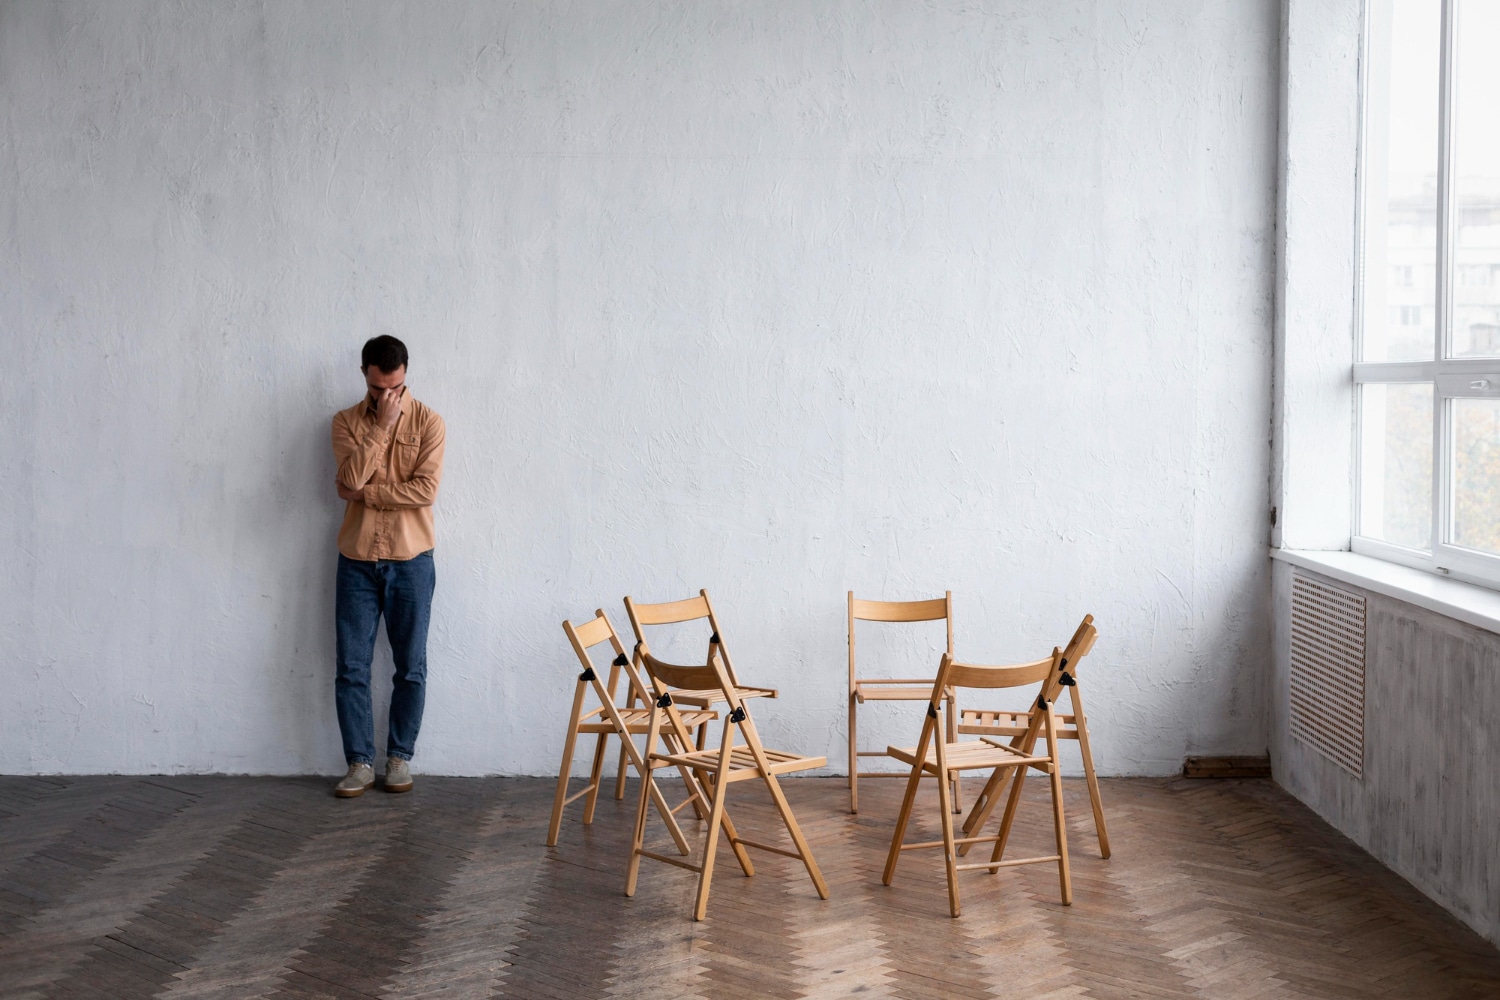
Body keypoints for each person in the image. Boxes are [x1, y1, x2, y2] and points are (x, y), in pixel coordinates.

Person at [329, 336, 446, 797]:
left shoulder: (430, 422)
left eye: (395, 387)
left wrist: (366, 494)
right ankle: (359, 762)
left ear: (405, 374)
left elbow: (425, 492)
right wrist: (382, 426)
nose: (387, 397)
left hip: (412, 559)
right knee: (351, 667)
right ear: (365, 375)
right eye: (378, 389)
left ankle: (399, 758)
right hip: (356, 559)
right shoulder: (344, 422)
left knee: (410, 666)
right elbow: (348, 479)